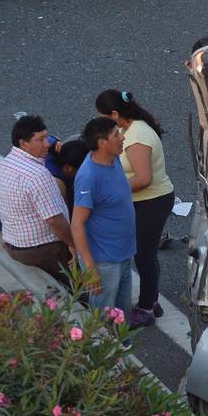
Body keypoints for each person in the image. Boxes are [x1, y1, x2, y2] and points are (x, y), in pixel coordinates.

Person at [95, 89, 175, 328]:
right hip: (141, 202)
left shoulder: (137, 136)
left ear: (115, 114)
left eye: (103, 117)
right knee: (142, 253)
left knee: (144, 255)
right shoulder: (127, 129)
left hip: (152, 201)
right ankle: (152, 300)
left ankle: (147, 307)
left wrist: (110, 190)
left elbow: (143, 178)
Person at [0, 114, 74, 280]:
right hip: (43, 249)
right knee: (82, 284)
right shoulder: (38, 175)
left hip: (14, 245)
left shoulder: (2, 166)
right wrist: (73, 244)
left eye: (46, 137)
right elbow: (54, 221)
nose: (47, 144)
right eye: (40, 139)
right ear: (23, 143)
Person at [72, 118, 136, 313]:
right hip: (104, 262)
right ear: (102, 143)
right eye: (116, 135)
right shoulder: (89, 178)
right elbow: (77, 224)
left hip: (123, 254)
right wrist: (90, 268)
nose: (122, 137)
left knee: (122, 313)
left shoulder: (113, 159)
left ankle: (121, 334)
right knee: (103, 317)